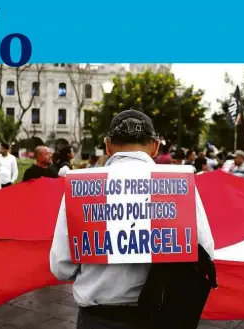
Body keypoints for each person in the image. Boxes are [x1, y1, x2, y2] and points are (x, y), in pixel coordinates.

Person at [50, 110, 216, 329]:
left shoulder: (82, 186)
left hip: (98, 320)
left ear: (108, 146)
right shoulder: (179, 184)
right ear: (156, 146)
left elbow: (61, 267)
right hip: (160, 318)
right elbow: (204, 253)